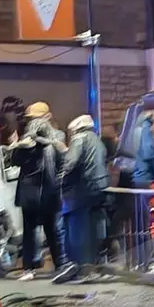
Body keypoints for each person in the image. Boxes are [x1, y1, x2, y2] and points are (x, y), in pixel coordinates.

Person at [10, 102, 66, 281]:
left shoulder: (57, 136)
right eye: (31, 119)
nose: (33, 122)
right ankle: (29, 267)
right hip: (30, 192)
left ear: (47, 117)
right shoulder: (27, 139)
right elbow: (16, 161)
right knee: (30, 232)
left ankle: (60, 265)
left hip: (49, 191)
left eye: (35, 118)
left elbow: (62, 161)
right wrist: (23, 145)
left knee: (53, 231)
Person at [54, 114, 109, 284]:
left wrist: (60, 177)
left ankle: (79, 265)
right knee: (91, 229)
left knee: (76, 229)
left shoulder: (80, 139)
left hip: (81, 190)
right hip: (98, 188)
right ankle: (91, 264)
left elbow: (71, 162)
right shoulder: (97, 140)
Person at [131, 109, 154, 270]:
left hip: (137, 179)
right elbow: (149, 153)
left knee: (141, 224)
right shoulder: (145, 129)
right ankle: (150, 263)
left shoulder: (134, 127)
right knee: (149, 222)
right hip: (146, 179)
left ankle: (141, 262)